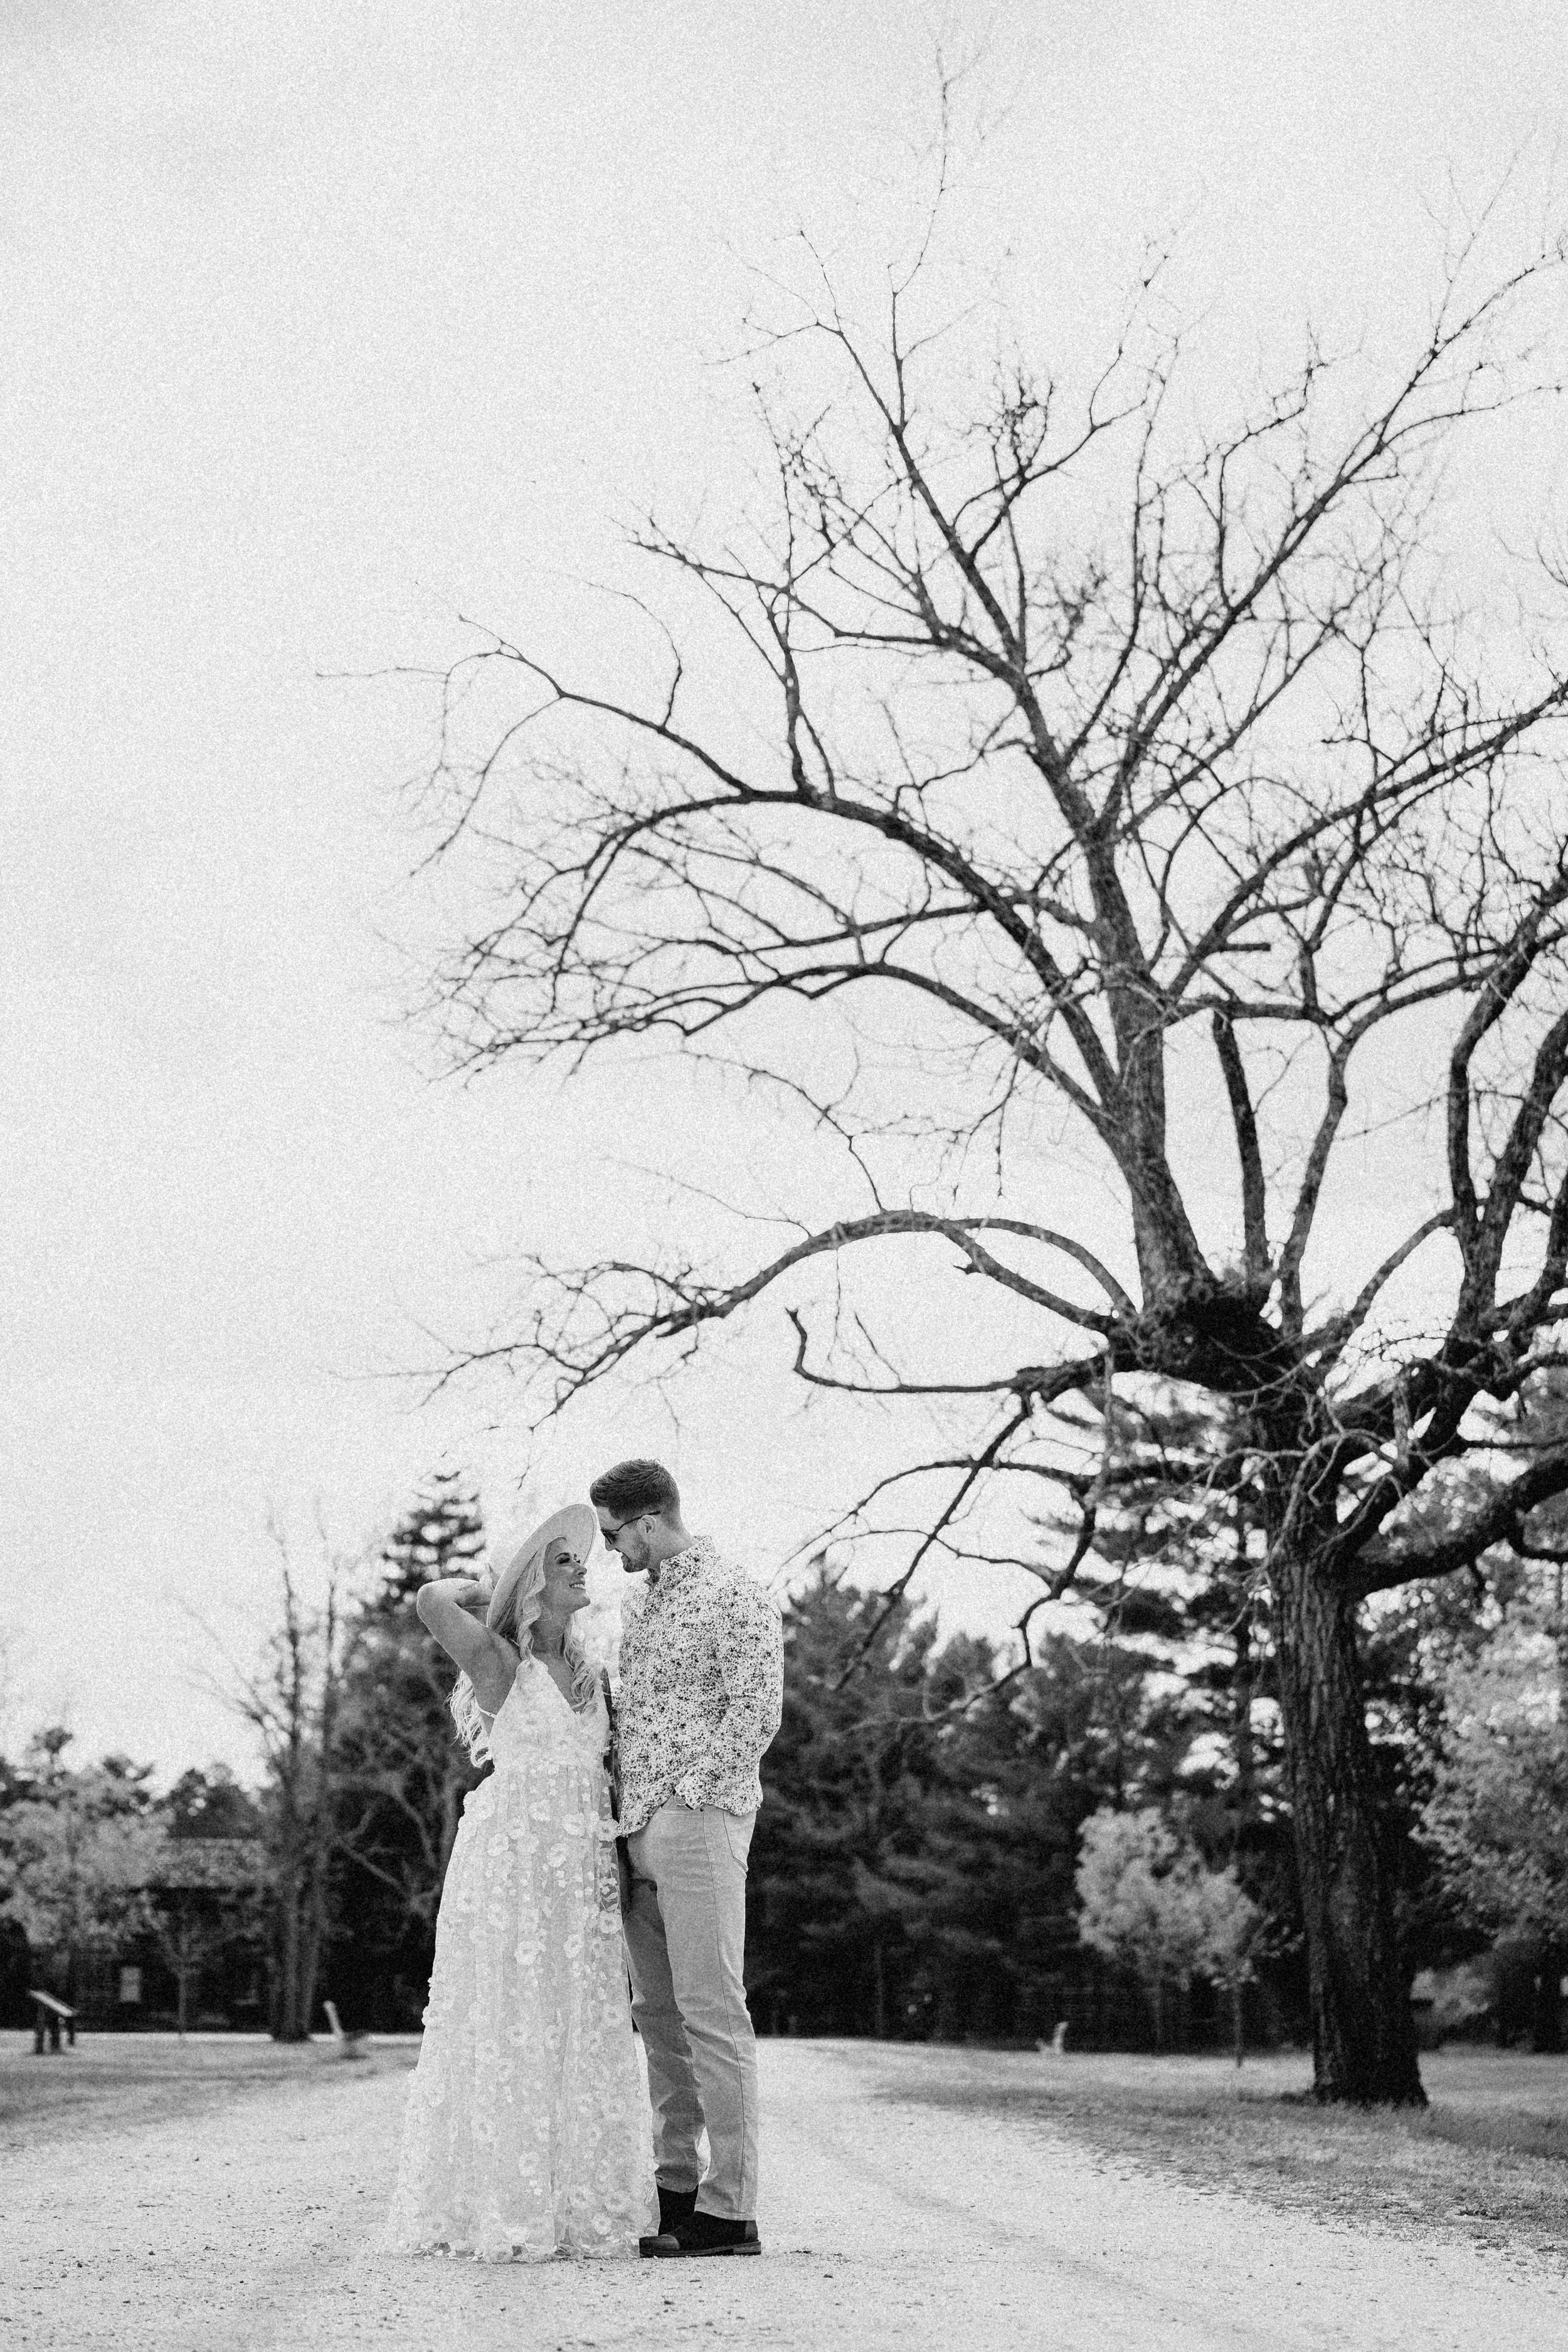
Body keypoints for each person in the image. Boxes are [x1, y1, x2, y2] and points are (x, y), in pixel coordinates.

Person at [383, 1503, 656, 2261]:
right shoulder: (501, 1662)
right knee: (514, 2014)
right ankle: (507, 2205)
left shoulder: (595, 1675)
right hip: (513, 1864)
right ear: (534, 1580)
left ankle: (578, 2203)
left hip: (583, 1868)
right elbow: (430, 1601)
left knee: (582, 2016)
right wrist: (494, 1583)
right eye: (563, 1560)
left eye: (579, 1559)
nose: (581, 1569)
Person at [591, 1459, 784, 2259]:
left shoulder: (736, 1593)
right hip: (632, 1829)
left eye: (614, 1535)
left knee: (712, 2012)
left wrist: (689, 1799)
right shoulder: (636, 1605)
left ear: (647, 1521)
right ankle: (675, 2188)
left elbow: (756, 1711)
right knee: (659, 2017)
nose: (610, 1551)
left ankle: (731, 2208)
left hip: (698, 1823)